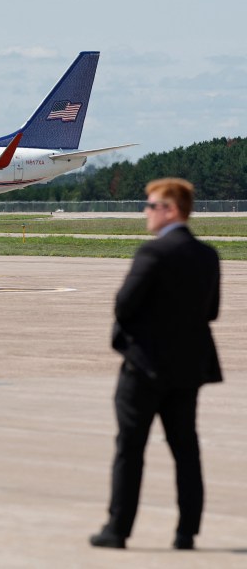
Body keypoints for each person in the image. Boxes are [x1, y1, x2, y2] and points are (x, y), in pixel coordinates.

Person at [90, 178, 222, 551]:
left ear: (171, 210)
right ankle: (186, 533)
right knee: (186, 450)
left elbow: (124, 305)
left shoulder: (152, 254)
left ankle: (118, 529)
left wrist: (127, 341)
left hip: (145, 367)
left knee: (130, 449)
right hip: (188, 367)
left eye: (150, 206)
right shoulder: (207, 254)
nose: (146, 212)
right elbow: (210, 311)